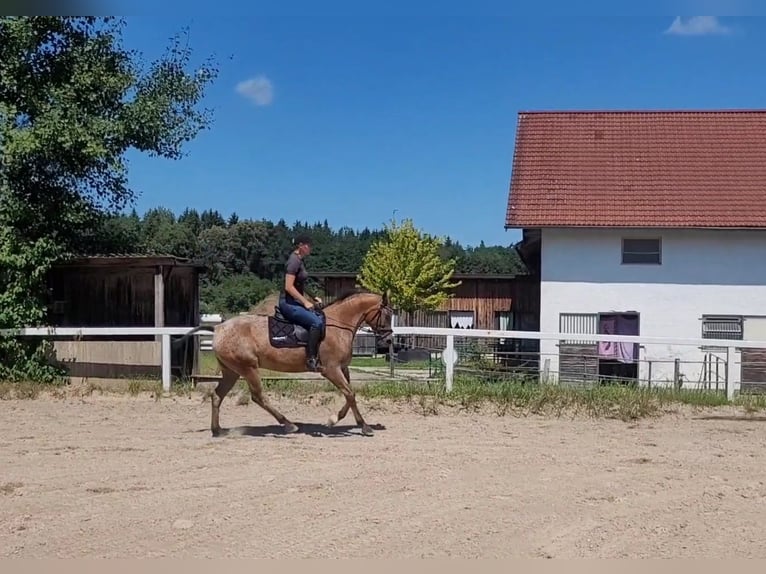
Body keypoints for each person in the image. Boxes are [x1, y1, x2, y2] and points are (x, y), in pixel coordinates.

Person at [277, 234, 325, 371]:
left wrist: (314, 296)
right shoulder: (294, 261)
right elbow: (289, 286)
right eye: (308, 245)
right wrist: (305, 302)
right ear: (300, 246)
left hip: (293, 302)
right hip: (288, 303)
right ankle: (311, 359)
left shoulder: (299, 260)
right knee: (316, 322)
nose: (310, 248)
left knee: (319, 316)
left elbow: (301, 284)